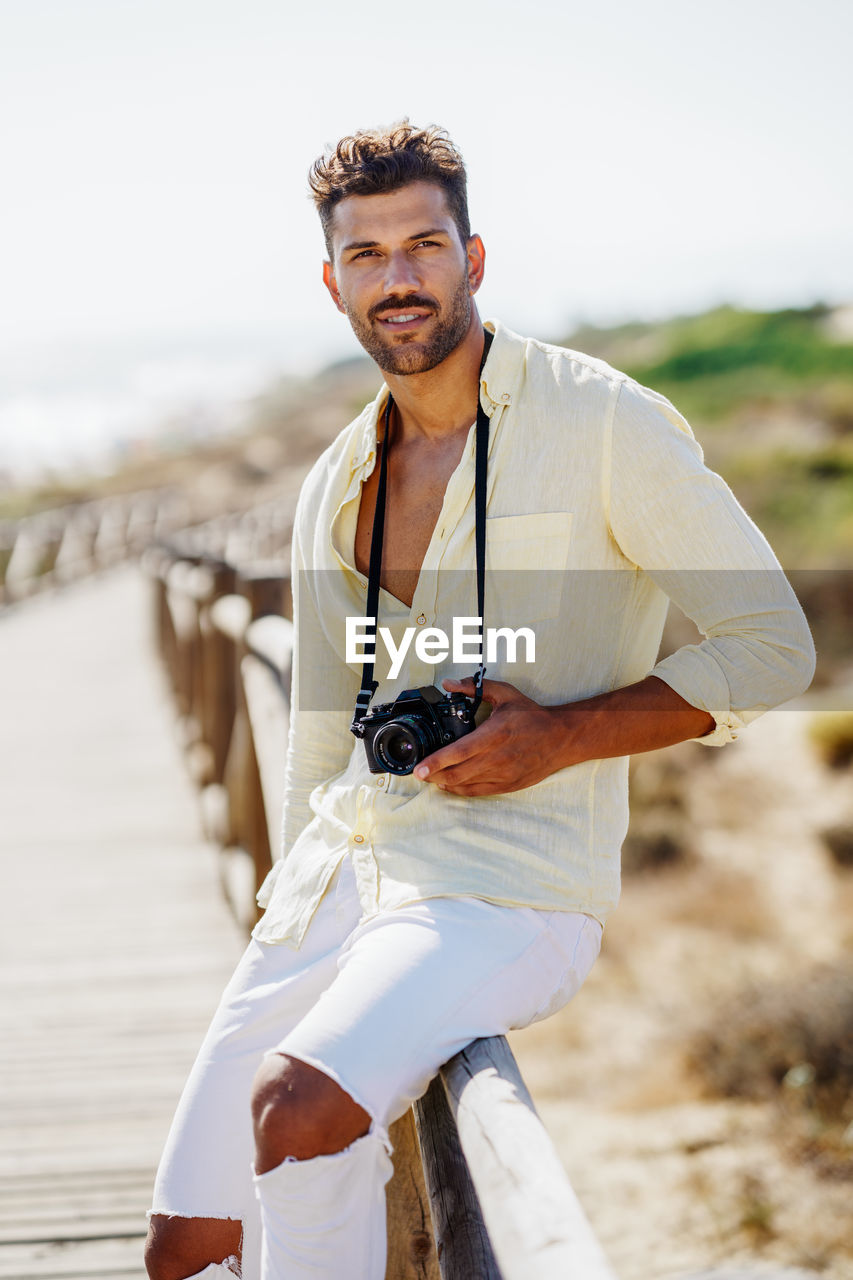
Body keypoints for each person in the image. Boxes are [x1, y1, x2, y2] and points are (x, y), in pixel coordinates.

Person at [144, 122, 815, 1280]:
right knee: (184, 1243)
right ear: (331, 281)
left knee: (298, 1110)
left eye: (424, 245)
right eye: (367, 255)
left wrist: (558, 736)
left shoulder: (605, 422)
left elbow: (773, 644)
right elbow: (315, 732)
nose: (398, 278)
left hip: (510, 885)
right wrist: (281, 926)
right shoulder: (337, 476)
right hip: (342, 874)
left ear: (474, 256)